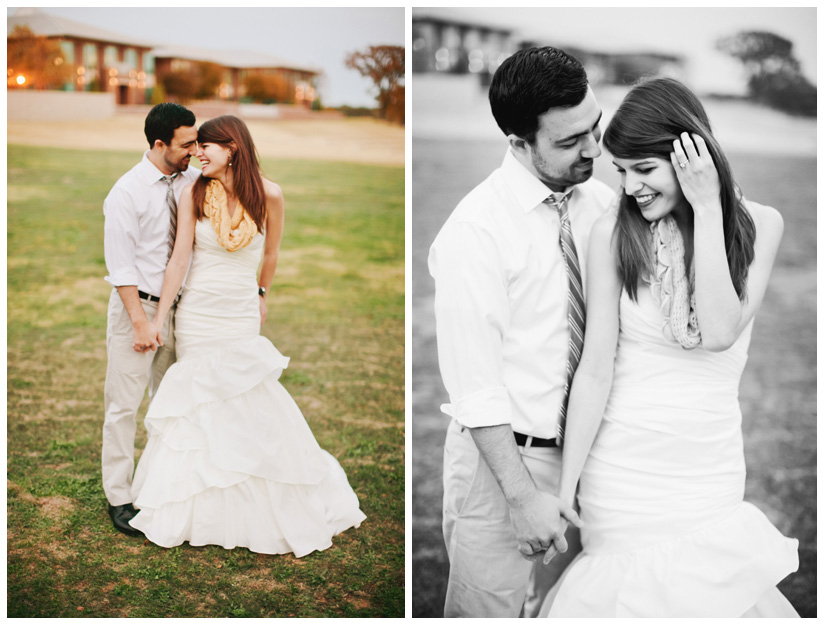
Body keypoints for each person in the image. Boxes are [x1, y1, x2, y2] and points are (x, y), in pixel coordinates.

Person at [540, 77, 799, 617]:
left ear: (691, 157)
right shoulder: (613, 232)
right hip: (623, 469)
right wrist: (566, 489)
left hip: (706, 465)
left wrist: (707, 210)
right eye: (622, 170)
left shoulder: (760, 225)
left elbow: (720, 331)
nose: (630, 186)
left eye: (645, 169)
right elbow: (594, 370)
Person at [427, 47, 615, 617]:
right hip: (507, 462)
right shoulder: (475, 231)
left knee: (575, 607)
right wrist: (522, 496)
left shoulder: (604, 203)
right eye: (568, 142)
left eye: (595, 127)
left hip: (600, 458)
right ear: (518, 143)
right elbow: (475, 385)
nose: (592, 149)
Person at [126, 115, 366, 556]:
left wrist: (261, 292)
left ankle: (258, 492)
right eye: (196, 148)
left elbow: (271, 252)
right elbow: (179, 260)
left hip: (238, 311)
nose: (198, 154)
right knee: (201, 398)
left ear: (232, 147)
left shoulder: (269, 195)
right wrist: (159, 319)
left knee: (246, 394)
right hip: (198, 312)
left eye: (206, 148)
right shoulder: (193, 192)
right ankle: (201, 504)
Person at [102, 103, 199, 536]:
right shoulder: (127, 192)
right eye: (187, 144)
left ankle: (161, 485)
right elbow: (121, 266)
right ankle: (120, 496)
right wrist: (141, 322)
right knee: (124, 405)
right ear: (160, 144)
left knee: (172, 403)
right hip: (136, 310)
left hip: (182, 310)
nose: (194, 150)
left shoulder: (193, 180)